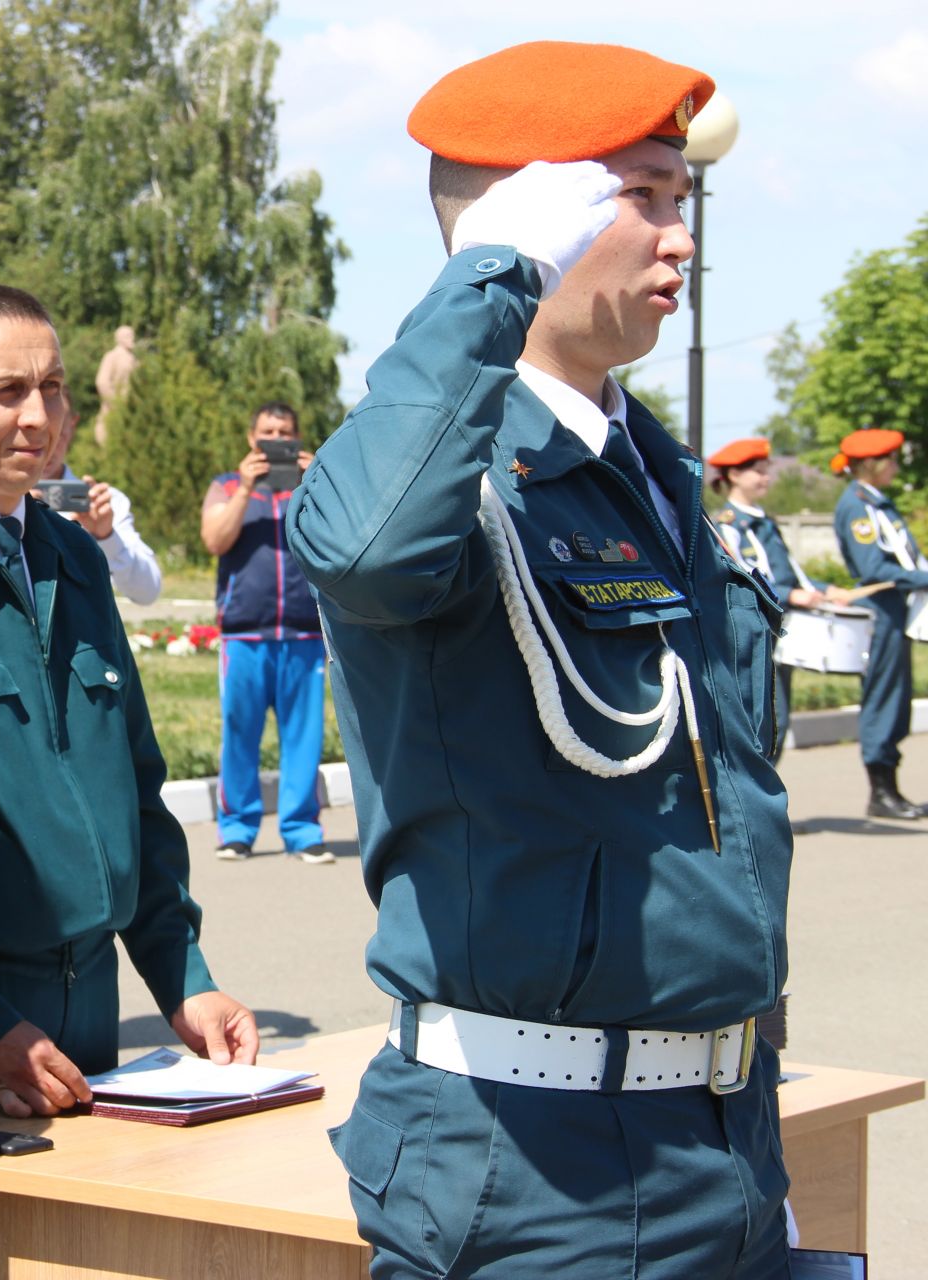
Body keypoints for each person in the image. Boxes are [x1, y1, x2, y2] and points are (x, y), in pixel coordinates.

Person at [288, 43, 794, 1278]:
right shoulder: (446, 475)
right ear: (537, 217)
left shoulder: (659, 476)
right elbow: (359, 549)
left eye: (687, 203)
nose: (682, 240)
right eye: (646, 198)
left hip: (721, 1138)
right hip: (537, 1161)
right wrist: (489, 276)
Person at [0, 283, 257, 1126]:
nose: (39, 416)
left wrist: (184, 981)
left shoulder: (73, 557)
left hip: (88, 1020)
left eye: (52, 387)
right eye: (5, 392)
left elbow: (133, 787)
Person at [200, 403, 331, 864]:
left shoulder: (311, 487)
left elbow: (344, 533)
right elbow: (214, 540)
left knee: (304, 738)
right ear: (251, 437)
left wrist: (320, 478)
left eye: (285, 432)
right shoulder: (227, 485)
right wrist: (245, 488)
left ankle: (301, 830)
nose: (276, 439)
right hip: (244, 636)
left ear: (297, 438)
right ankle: (237, 830)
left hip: (303, 635)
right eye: (267, 432)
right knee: (240, 734)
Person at [708, 436, 848, 763]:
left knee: (775, 724)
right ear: (733, 475)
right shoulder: (729, 526)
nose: (766, 477)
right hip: (753, 630)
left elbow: (786, 572)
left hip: (780, 627)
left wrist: (824, 589)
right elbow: (742, 576)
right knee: (766, 722)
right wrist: (791, 594)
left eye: (766, 470)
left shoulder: (764, 522)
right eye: (757, 471)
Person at [831, 427, 928, 819]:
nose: (895, 466)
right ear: (872, 464)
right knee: (884, 697)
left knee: (897, 696)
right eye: (890, 460)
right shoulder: (857, 506)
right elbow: (875, 568)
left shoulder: (876, 502)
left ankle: (891, 789)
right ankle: (881, 792)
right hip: (881, 608)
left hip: (895, 608)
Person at [36, 402, 163, 604]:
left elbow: (147, 592)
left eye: (58, 431)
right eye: (35, 431)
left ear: (71, 425)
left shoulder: (101, 504)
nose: (46, 444)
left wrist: (106, 537)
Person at [92, 324, 138, 447]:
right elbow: (102, 382)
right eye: (128, 335)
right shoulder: (112, 356)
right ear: (119, 338)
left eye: (132, 335)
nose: (132, 338)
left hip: (132, 410)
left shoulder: (134, 359)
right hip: (114, 409)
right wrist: (116, 403)